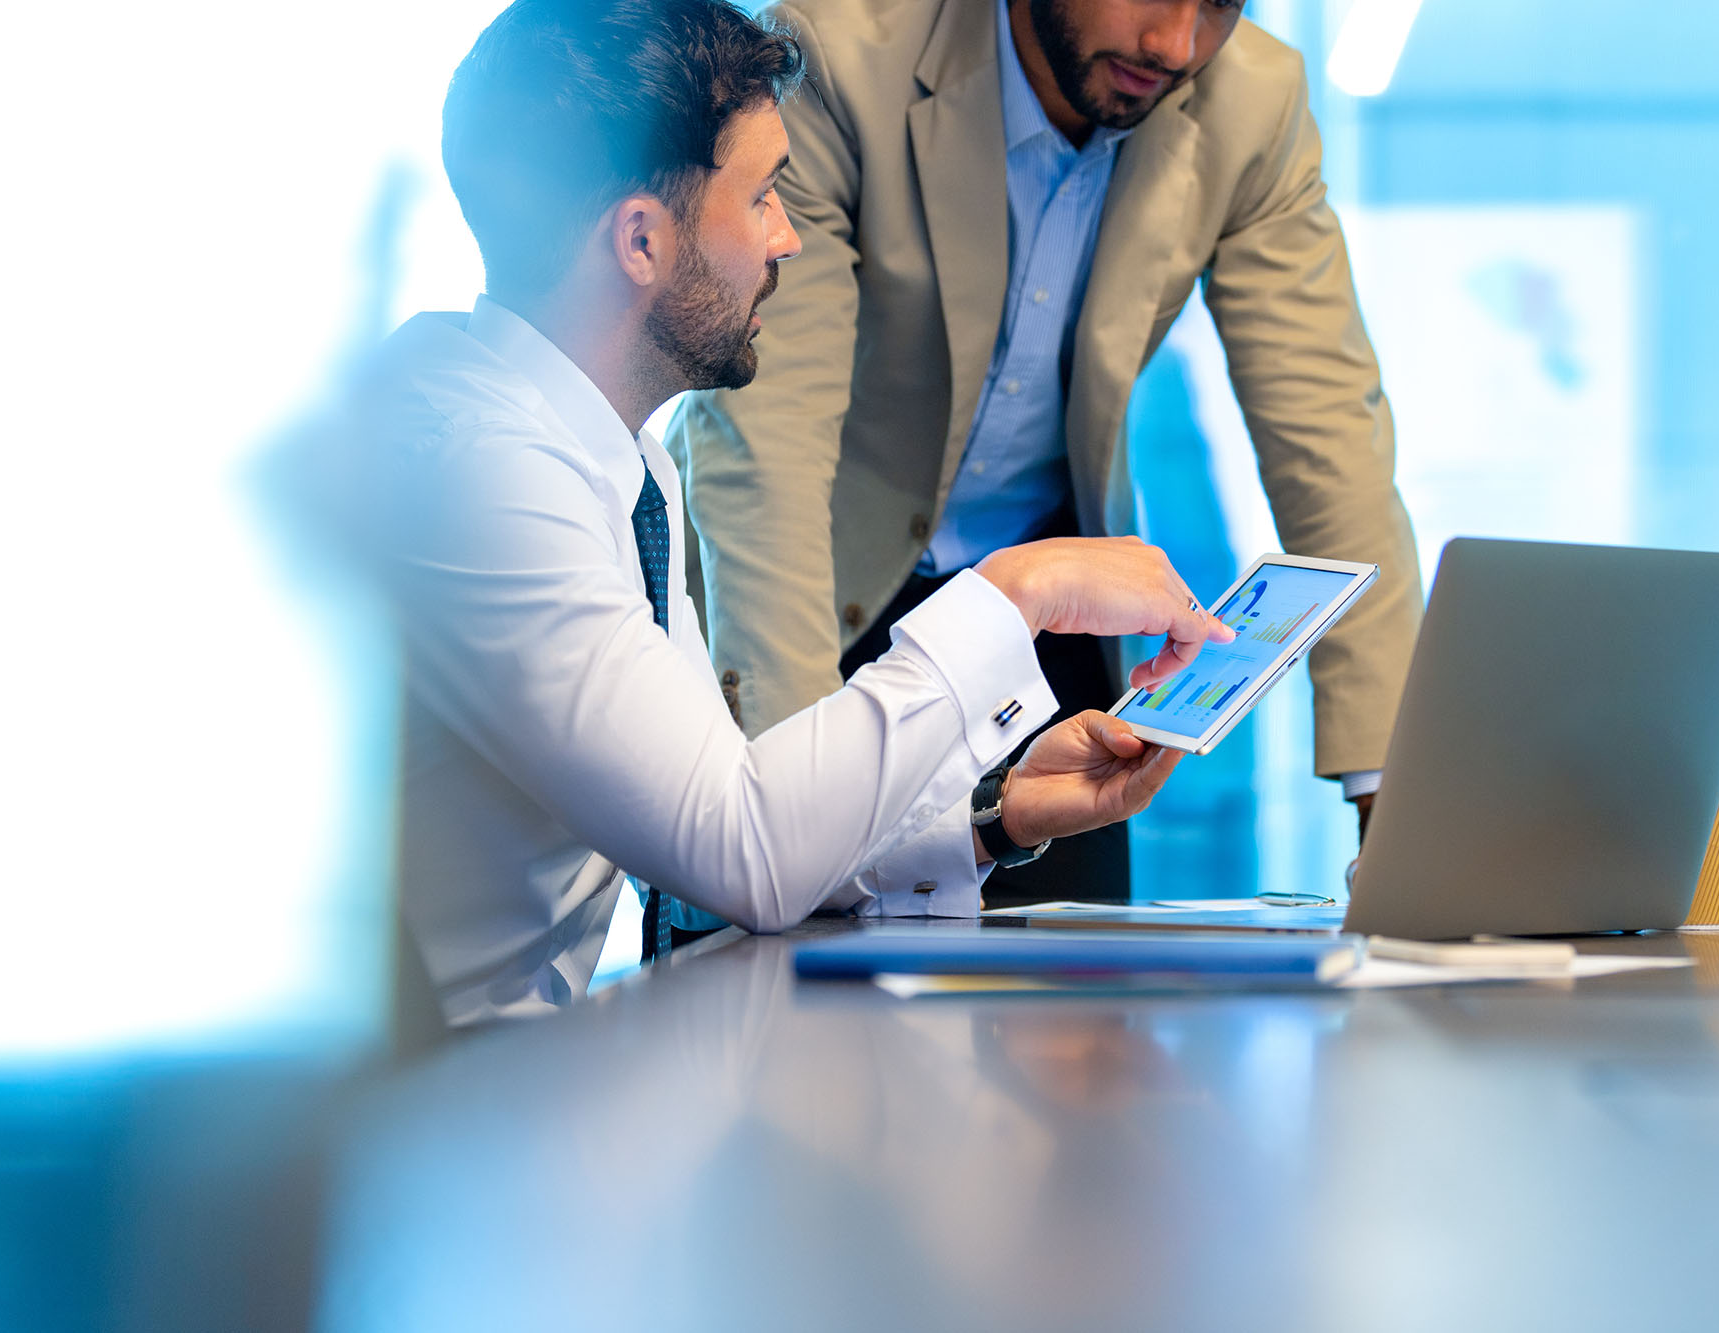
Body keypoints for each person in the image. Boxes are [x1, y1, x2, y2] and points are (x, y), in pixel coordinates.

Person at [304, 0, 1231, 1025]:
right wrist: (1017, 589)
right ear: (642, 240)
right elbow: (737, 847)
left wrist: (992, 821)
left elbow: (718, 808)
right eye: (761, 197)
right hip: (420, 1120)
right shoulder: (479, 475)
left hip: (515, 1085)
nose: (786, 238)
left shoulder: (615, 462)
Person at [667, 0, 1424, 907]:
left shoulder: (1251, 99)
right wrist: (784, 826)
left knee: (1077, 1023)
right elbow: (767, 452)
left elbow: (1330, 433)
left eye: (1221, 4)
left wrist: (1402, 804)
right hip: (813, 602)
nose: (1177, 46)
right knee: (784, 995)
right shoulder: (838, 54)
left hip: (1046, 621)